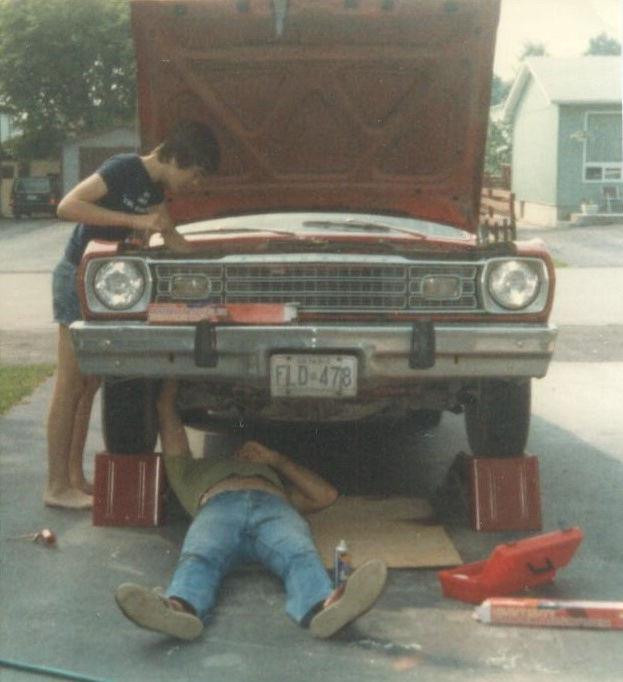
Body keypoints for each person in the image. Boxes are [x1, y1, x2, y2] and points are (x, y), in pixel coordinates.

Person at [114, 380, 387, 640]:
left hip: (273, 507)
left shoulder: (270, 473)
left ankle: (326, 609)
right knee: (200, 557)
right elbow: (165, 407)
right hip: (219, 508)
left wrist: (275, 460)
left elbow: (326, 495)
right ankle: (177, 611)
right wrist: (175, 362)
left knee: (299, 554)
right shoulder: (187, 469)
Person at [46, 120, 220, 510]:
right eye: (193, 175)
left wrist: (214, 267)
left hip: (104, 288)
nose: (194, 184)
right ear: (176, 157)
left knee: (89, 385)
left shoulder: (154, 188)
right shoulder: (124, 168)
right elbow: (67, 206)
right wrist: (136, 222)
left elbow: (173, 239)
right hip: (77, 278)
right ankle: (55, 485)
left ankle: (74, 479)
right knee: (69, 386)